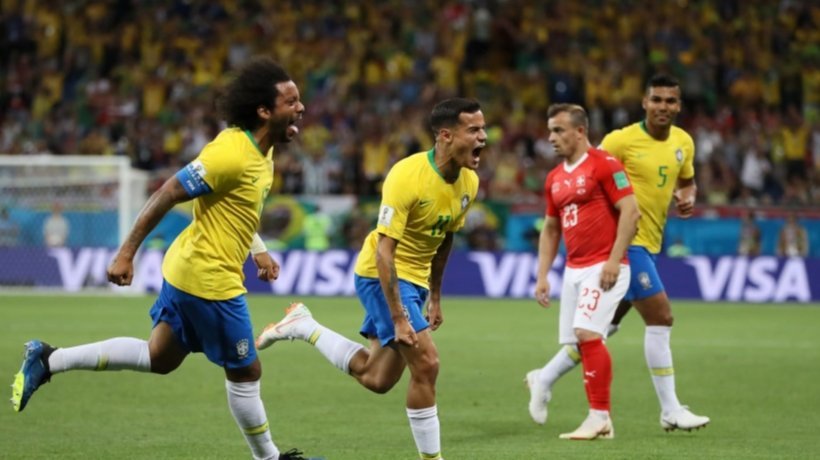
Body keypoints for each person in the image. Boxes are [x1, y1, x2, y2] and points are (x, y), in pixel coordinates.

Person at [11, 57, 311, 460]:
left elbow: (237, 207)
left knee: (160, 357)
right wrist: (126, 253)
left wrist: (258, 250)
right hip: (209, 281)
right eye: (291, 102)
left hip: (186, 269)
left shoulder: (263, 152)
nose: (301, 108)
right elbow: (170, 191)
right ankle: (269, 459)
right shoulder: (232, 153)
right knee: (246, 370)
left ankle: (48, 358)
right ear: (264, 110)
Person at [255, 98, 487, 460]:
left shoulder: (469, 182)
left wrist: (436, 296)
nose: (483, 137)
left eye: (482, 129)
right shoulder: (406, 176)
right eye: (473, 130)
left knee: (377, 379)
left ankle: (304, 326)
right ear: (445, 135)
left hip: (415, 284)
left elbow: (445, 238)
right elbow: (384, 252)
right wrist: (397, 316)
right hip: (381, 275)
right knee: (427, 363)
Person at [527, 74, 710, 432]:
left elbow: (686, 179)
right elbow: (592, 173)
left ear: (679, 105)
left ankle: (543, 377)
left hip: (651, 241)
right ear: (644, 102)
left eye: (670, 101)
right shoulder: (620, 140)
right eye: (656, 100)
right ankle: (670, 409)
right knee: (661, 317)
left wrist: (688, 196)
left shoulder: (683, 143)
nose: (663, 107)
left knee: (599, 330)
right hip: (626, 244)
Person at [527, 104, 640, 439]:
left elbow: (631, 213)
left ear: (580, 131)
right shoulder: (555, 178)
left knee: (589, 336)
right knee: (579, 339)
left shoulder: (604, 165)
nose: (551, 138)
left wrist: (612, 260)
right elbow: (550, 229)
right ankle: (546, 381)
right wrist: (543, 275)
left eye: (559, 130)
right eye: (550, 130)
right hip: (573, 269)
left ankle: (599, 416)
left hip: (604, 265)